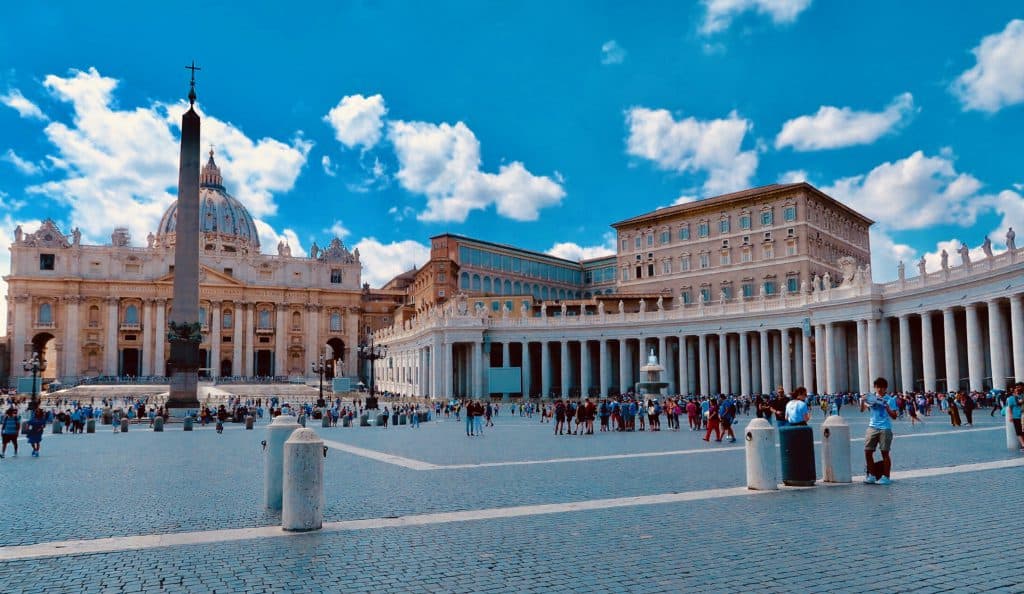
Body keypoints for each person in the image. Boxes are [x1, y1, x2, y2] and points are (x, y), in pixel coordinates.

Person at [861, 377, 897, 485]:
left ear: (885, 388)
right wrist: (863, 401)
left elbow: (894, 416)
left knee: (884, 452)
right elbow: (862, 410)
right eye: (877, 387)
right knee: (868, 451)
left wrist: (887, 407)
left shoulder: (890, 399)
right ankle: (871, 475)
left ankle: (886, 477)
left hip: (885, 428)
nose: (880, 389)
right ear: (875, 388)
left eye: (882, 387)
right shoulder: (871, 398)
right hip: (872, 427)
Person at [1006, 383, 1024, 450]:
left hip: (1022, 416)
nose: (1017, 391)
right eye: (1015, 390)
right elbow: (1010, 408)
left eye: (1018, 389)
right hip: (1016, 416)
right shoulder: (1010, 398)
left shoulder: (1022, 396)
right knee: (1019, 431)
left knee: (1022, 431)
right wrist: (1010, 416)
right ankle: (1023, 445)